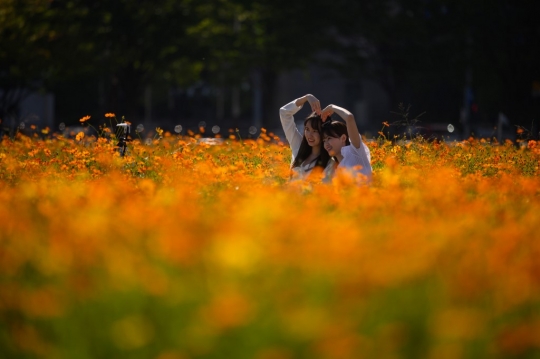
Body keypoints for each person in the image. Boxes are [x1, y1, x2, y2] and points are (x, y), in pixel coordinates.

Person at [279, 94, 333, 180]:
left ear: (324, 133)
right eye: (307, 129)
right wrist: (306, 97)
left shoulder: (330, 162)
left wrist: (334, 108)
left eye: (315, 131)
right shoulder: (298, 146)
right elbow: (284, 112)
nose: (309, 135)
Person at [321, 104, 372, 180]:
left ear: (343, 138)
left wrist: (332, 107)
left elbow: (349, 117)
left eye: (329, 138)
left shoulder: (355, 152)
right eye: (324, 140)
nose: (326, 144)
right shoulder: (333, 171)